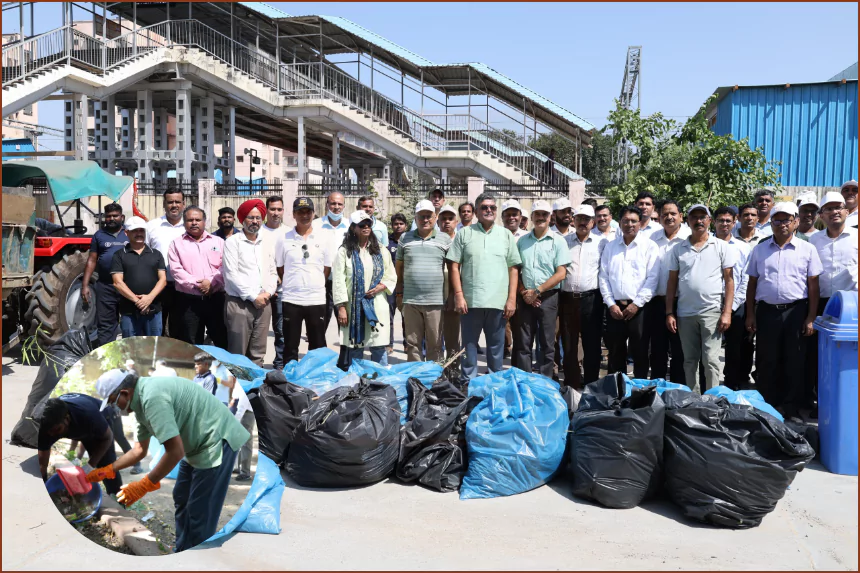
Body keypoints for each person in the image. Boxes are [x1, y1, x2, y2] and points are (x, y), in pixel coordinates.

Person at [87, 372, 251, 553]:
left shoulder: (152, 398)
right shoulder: (141, 403)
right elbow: (139, 450)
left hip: (216, 439)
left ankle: (198, 557)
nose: (114, 407)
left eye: (113, 401)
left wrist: (144, 485)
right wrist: (108, 469)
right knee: (181, 496)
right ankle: (182, 549)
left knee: (200, 511)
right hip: (196, 444)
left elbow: (175, 452)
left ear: (125, 393)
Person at [746, 202, 823, 423]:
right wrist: (751, 314)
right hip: (767, 312)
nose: (782, 224)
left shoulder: (807, 249)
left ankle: (791, 408)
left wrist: (810, 317)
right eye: (777, 220)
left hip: (796, 311)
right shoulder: (760, 249)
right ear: (771, 223)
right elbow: (752, 284)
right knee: (766, 360)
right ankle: (767, 405)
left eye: (786, 219)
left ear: (796, 222)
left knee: (794, 360)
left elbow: (813, 286)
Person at [447, 193, 521, 379]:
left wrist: (512, 299)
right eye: (484, 207)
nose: (489, 210)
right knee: (469, 347)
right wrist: (458, 294)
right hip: (471, 302)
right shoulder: (465, 233)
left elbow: (513, 269)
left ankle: (495, 384)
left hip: (498, 302)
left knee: (497, 349)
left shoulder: (505, 235)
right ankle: (468, 384)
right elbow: (454, 265)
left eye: (492, 208)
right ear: (477, 212)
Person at [665, 205, 735, 393]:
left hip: (711, 311)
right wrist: (669, 312)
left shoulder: (721, 246)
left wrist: (727, 312)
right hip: (685, 313)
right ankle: (693, 401)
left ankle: (711, 401)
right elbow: (671, 282)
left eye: (702, 217)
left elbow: (729, 281)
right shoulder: (678, 248)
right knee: (689, 360)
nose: (698, 221)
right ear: (687, 221)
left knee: (711, 360)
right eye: (694, 217)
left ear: (709, 221)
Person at [808, 192, 858, 417]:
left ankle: (848, 402)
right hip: (821, 304)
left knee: (847, 356)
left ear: (847, 211)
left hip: (851, 306)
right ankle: (822, 401)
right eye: (828, 209)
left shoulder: (856, 238)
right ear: (821, 216)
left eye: (838, 207)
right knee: (818, 356)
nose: (834, 211)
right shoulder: (814, 241)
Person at [599, 206, 660, 378]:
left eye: (633, 221)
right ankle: (618, 392)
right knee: (616, 352)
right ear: (619, 223)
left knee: (640, 352)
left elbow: (652, 279)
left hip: (640, 309)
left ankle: (639, 392)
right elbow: (603, 277)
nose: (629, 224)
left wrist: (636, 304)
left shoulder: (649, 247)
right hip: (615, 309)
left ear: (640, 223)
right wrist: (610, 304)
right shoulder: (611, 247)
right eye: (625, 221)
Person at [513, 201, 571, 378]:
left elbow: (561, 273)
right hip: (525, 297)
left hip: (548, 297)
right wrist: (524, 292)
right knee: (523, 343)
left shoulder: (558, 241)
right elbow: (516, 270)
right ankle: (524, 381)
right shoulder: (522, 241)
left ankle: (545, 381)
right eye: (537, 214)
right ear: (530, 217)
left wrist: (537, 291)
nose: (540, 218)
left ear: (550, 217)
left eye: (544, 215)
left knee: (547, 343)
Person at [332, 211, 397, 366]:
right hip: (353, 307)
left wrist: (381, 286)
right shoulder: (344, 251)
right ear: (354, 228)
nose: (366, 227)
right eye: (362, 225)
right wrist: (341, 307)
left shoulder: (381, 249)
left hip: (377, 304)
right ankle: (358, 381)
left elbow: (391, 275)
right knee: (356, 346)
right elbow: (338, 280)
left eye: (368, 224)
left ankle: (380, 382)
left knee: (378, 346)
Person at [275, 197, 333, 365]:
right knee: (290, 345)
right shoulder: (283, 238)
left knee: (318, 345)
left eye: (308, 212)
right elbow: (281, 267)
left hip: (316, 299)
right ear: (293, 214)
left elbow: (326, 268)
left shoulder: (323, 237)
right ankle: (290, 382)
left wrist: (313, 281)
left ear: (314, 214)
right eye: (300, 212)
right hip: (292, 299)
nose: (305, 215)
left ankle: (315, 378)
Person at [395, 200, 452, 363]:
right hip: (411, 301)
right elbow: (398, 270)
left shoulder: (444, 239)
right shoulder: (405, 239)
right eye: (422, 216)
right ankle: (416, 379)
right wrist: (399, 294)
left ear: (435, 218)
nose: (425, 219)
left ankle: (434, 378)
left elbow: (453, 269)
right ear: (415, 218)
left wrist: (453, 296)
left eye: (429, 216)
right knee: (413, 344)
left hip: (435, 302)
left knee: (435, 344)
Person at [222, 199, 278, 367]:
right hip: (240, 303)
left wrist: (267, 293)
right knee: (237, 352)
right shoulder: (232, 242)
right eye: (250, 218)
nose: (255, 221)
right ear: (242, 220)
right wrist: (253, 296)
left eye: (258, 218)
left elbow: (273, 271)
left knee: (258, 351)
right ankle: (237, 389)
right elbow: (231, 274)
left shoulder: (266, 242)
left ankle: (255, 388)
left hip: (264, 302)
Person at [559, 204, 606, 389]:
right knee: (569, 344)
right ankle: (572, 384)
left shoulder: (602, 243)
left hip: (592, 299)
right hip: (568, 299)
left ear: (593, 222)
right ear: (573, 220)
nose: (582, 222)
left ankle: (591, 384)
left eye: (586, 219)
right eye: (579, 219)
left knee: (592, 343)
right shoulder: (564, 241)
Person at [38, 392, 122, 494]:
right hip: (77, 421)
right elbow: (42, 464)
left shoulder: (89, 416)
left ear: (67, 419)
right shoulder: (46, 428)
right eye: (49, 432)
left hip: (102, 417)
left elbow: (108, 438)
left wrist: (90, 466)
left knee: (105, 464)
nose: (52, 435)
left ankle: (117, 497)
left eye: (56, 430)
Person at [167, 206, 227, 348]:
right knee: (191, 342)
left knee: (221, 339)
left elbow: (225, 267)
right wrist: (198, 284)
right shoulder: (176, 244)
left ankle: (223, 369)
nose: (194, 223)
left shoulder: (218, 242)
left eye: (197, 220)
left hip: (216, 298)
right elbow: (176, 270)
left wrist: (212, 283)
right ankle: (195, 370)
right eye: (190, 220)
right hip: (188, 301)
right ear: (184, 222)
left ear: (204, 222)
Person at [647, 199, 690, 384]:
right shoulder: (652, 239)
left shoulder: (690, 237)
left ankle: (678, 391)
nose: (669, 217)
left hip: (682, 302)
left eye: (673, 213)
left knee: (680, 351)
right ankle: (657, 391)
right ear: (659, 217)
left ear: (681, 216)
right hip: (657, 301)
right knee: (657, 349)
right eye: (665, 214)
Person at [714, 206, 754, 390]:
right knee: (709, 346)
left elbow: (746, 278)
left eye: (728, 221)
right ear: (713, 222)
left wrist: (733, 304)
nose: (724, 224)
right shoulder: (706, 245)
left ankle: (732, 382)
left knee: (735, 347)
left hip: (737, 302)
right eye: (720, 220)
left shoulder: (743, 248)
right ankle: (709, 382)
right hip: (710, 302)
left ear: (734, 222)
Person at [110, 216, 167, 337]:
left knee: (153, 348)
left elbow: (163, 280)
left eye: (141, 230)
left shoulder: (156, 254)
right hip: (129, 311)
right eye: (135, 230)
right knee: (131, 349)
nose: (139, 233)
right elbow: (117, 282)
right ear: (126, 233)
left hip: (153, 310)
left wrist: (149, 299)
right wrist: (138, 302)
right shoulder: (119, 255)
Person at [82, 203, 128, 347]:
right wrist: (85, 285)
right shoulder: (99, 235)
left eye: (115, 216)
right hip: (106, 286)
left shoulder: (130, 233)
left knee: (129, 324)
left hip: (128, 287)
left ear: (122, 217)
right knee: (106, 326)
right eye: (108, 216)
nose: (111, 219)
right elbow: (92, 260)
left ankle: (130, 357)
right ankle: (107, 357)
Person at [145, 187, 186, 335]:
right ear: (164, 204)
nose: (174, 205)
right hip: (158, 287)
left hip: (183, 287)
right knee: (157, 328)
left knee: (180, 328)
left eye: (177, 202)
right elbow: (143, 254)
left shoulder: (190, 227)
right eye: (170, 202)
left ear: (184, 203)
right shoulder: (152, 226)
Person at [259, 196, 290, 370]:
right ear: (266, 211)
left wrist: (280, 282)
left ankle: (280, 365)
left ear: (283, 211)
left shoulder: (289, 232)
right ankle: (257, 364)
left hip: (282, 290)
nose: (276, 213)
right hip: (260, 290)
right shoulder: (258, 231)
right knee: (259, 332)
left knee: (281, 331)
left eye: (279, 209)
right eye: (272, 209)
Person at [312, 192, 349, 332]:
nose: (336, 207)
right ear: (327, 205)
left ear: (344, 206)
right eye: (333, 203)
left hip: (343, 282)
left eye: (340, 204)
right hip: (321, 282)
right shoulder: (315, 225)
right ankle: (319, 352)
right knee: (319, 325)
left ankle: (345, 354)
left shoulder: (350, 226)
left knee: (345, 325)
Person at [437, 205, 462, 370]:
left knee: (452, 336)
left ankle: (453, 370)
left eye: (450, 219)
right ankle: (437, 370)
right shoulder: (433, 239)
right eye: (443, 219)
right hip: (434, 295)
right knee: (435, 337)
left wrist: (455, 295)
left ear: (456, 221)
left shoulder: (461, 240)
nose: (447, 222)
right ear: (437, 221)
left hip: (454, 295)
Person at [386, 213, 408, 354]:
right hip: (391, 284)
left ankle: (407, 344)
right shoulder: (387, 242)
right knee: (389, 315)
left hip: (407, 284)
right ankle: (389, 344)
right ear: (392, 226)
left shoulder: (410, 240)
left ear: (405, 225)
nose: (398, 226)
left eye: (401, 224)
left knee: (407, 316)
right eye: (395, 224)